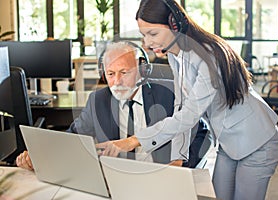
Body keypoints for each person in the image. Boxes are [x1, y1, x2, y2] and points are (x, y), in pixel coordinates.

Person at [96, 1, 278, 200]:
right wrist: (179, 157)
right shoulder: (176, 56)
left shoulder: (207, 57)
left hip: (257, 141)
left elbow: (188, 116)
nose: (147, 43)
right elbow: (181, 106)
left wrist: (132, 141)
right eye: (144, 35)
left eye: (153, 34)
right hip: (229, 142)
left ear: (174, 24)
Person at [16, 41, 208, 170]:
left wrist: (180, 165)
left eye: (124, 72)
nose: (117, 81)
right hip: (116, 179)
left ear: (142, 70)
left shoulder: (169, 94)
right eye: (110, 73)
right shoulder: (98, 101)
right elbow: (72, 138)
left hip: (159, 176)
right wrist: (40, 156)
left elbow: (201, 132)